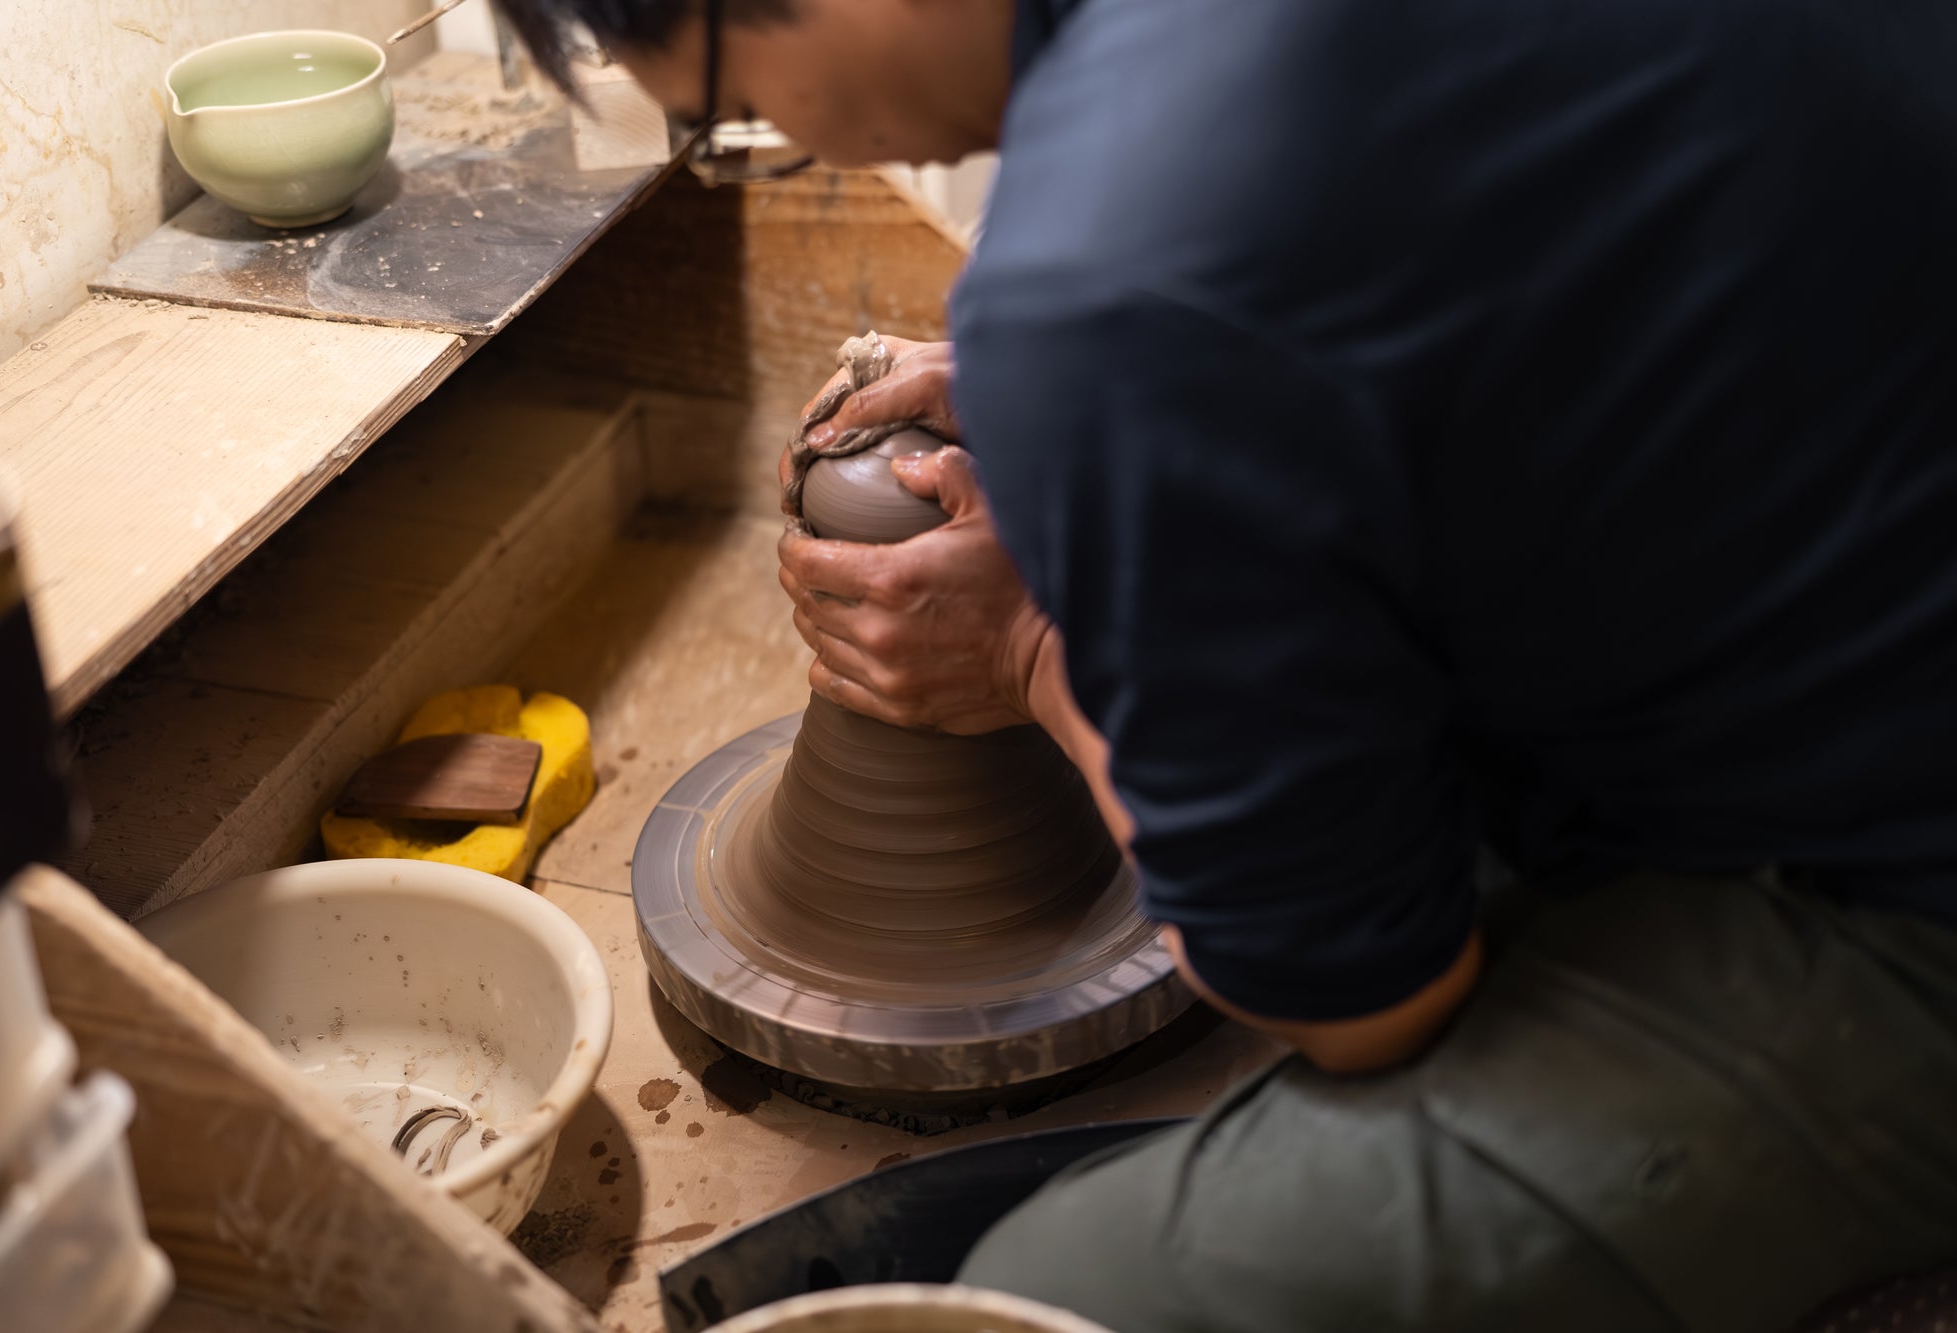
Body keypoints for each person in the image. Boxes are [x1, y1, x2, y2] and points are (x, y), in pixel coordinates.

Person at [496, 1, 1957, 1328]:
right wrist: (1128, 424)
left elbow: (1371, 1008)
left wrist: (1034, 643)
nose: (788, 145)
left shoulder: (1134, 241)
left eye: (729, 112)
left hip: (1897, 890)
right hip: (1840, 562)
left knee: (1045, 1296)